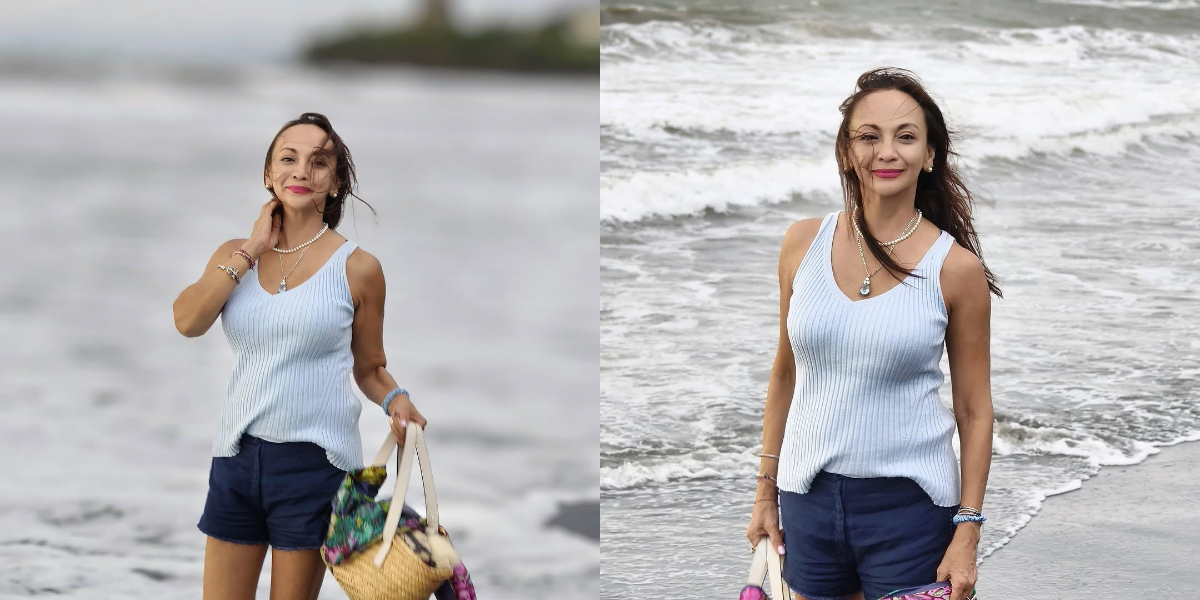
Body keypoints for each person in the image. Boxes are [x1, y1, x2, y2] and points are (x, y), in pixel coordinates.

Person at [745, 68, 1000, 600]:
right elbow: (784, 374)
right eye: (869, 136)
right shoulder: (801, 244)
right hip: (806, 503)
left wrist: (968, 529)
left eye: (906, 137)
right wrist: (765, 493)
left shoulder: (955, 270)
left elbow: (974, 410)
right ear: (846, 151)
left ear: (929, 155)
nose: (887, 151)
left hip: (909, 511)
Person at [172, 112, 427, 600]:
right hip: (236, 458)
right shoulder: (234, 255)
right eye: (288, 158)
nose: (302, 172)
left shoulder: (358, 268)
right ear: (269, 173)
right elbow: (188, 321)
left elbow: (369, 368)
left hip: (315, 467)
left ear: (335, 182)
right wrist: (251, 248)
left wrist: (394, 397)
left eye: (319, 162)